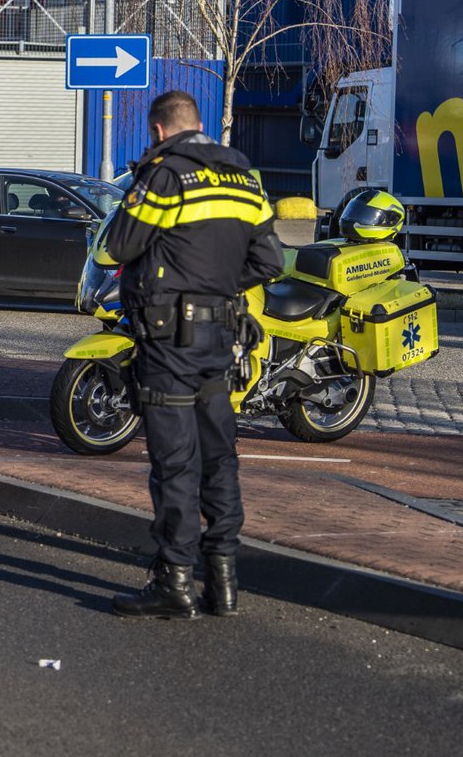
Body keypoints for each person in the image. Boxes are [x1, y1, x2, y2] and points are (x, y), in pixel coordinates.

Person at [105, 90, 283, 619]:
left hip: (168, 341)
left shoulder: (165, 175)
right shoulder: (244, 177)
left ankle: (174, 583)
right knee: (220, 457)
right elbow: (269, 262)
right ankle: (224, 583)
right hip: (219, 337)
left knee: (175, 462)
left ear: (159, 130)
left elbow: (118, 246)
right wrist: (216, 287)